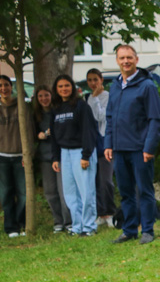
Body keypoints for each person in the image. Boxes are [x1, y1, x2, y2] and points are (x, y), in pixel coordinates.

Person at [105, 45, 160, 245]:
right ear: (117, 61)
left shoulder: (146, 86)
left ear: (136, 60)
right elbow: (110, 118)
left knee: (145, 191)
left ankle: (147, 229)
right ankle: (129, 230)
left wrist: (149, 147)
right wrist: (108, 144)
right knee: (126, 192)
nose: (126, 61)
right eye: (122, 58)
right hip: (119, 149)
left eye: (129, 57)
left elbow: (155, 120)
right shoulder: (114, 86)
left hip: (140, 149)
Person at [50, 74, 98, 237]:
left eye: (67, 85)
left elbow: (88, 131)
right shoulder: (55, 109)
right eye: (60, 86)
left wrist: (86, 155)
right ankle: (77, 226)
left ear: (72, 87)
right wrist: (55, 157)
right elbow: (55, 137)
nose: (64, 89)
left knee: (86, 191)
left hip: (81, 152)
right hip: (65, 153)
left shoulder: (81, 106)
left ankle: (89, 226)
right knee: (70, 193)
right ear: (56, 90)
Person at [32, 85, 71, 233]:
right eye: (40, 96)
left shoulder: (59, 110)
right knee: (50, 192)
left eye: (46, 95)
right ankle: (58, 222)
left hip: (60, 156)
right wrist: (39, 135)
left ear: (51, 96)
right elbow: (31, 132)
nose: (44, 99)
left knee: (63, 191)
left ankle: (68, 222)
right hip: (44, 157)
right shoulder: (36, 115)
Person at [85, 69, 116, 226]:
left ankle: (110, 212)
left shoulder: (108, 96)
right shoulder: (87, 97)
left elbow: (100, 116)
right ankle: (101, 213)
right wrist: (92, 97)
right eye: (90, 80)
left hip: (105, 142)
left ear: (101, 80)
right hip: (92, 143)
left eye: (95, 79)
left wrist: (95, 98)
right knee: (95, 181)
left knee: (106, 180)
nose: (93, 83)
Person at [0, 75, 26, 237]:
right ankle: (11, 228)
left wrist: (27, 154)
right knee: (6, 193)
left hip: (20, 156)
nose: (3, 88)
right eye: (0, 86)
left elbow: (29, 130)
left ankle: (22, 223)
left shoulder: (22, 106)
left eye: (6, 85)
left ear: (12, 86)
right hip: (2, 157)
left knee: (23, 193)